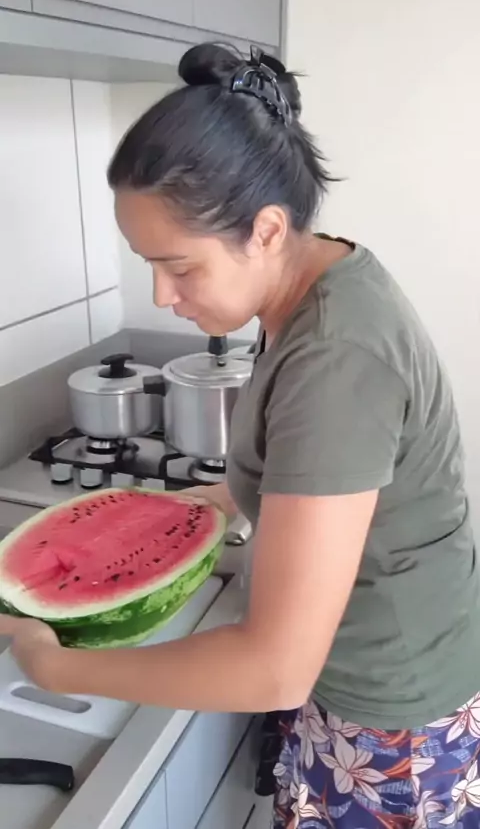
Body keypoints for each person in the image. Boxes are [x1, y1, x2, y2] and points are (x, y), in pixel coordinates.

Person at [1, 41, 480, 828]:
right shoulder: (310, 283)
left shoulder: (337, 356)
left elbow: (273, 669)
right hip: (363, 673)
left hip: (392, 723)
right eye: (147, 264)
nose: (163, 294)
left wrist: (59, 670)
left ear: (265, 229)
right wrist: (227, 496)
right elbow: (344, 469)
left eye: (180, 267)